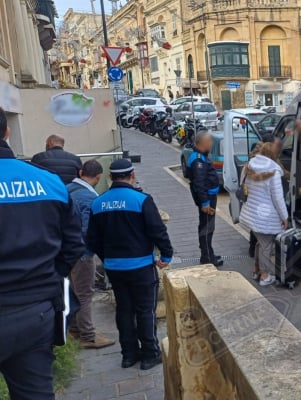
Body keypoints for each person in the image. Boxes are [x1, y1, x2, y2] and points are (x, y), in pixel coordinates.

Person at [0, 107, 85, 399]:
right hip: (37, 312)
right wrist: (50, 274)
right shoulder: (48, 182)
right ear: (7, 132)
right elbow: (74, 244)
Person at [86, 159, 173, 370]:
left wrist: (107, 258)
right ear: (132, 175)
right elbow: (157, 230)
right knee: (145, 310)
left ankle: (128, 355)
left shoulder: (98, 203)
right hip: (141, 266)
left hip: (115, 269)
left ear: (111, 177)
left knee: (124, 310)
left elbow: (92, 239)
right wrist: (167, 255)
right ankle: (150, 355)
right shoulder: (141, 200)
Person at [66, 160, 116, 349]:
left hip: (65, 252)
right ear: (98, 177)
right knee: (85, 294)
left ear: (81, 172)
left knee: (72, 291)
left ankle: (74, 329)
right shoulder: (89, 197)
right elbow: (88, 230)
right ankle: (88, 335)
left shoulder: (66, 189)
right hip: (82, 253)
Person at [240, 142, 289, 287]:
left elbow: (244, 186)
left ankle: (256, 271)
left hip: (252, 213)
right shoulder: (273, 173)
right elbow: (278, 199)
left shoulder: (248, 167)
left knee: (260, 244)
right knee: (266, 246)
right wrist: (285, 217)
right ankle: (265, 275)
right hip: (266, 217)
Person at [187, 131, 223, 267]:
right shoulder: (198, 160)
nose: (212, 144)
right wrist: (205, 202)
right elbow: (199, 183)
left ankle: (208, 253)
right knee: (207, 227)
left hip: (209, 197)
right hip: (207, 199)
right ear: (204, 143)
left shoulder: (201, 156)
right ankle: (207, 257)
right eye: (210, 141)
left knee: (208, 226)